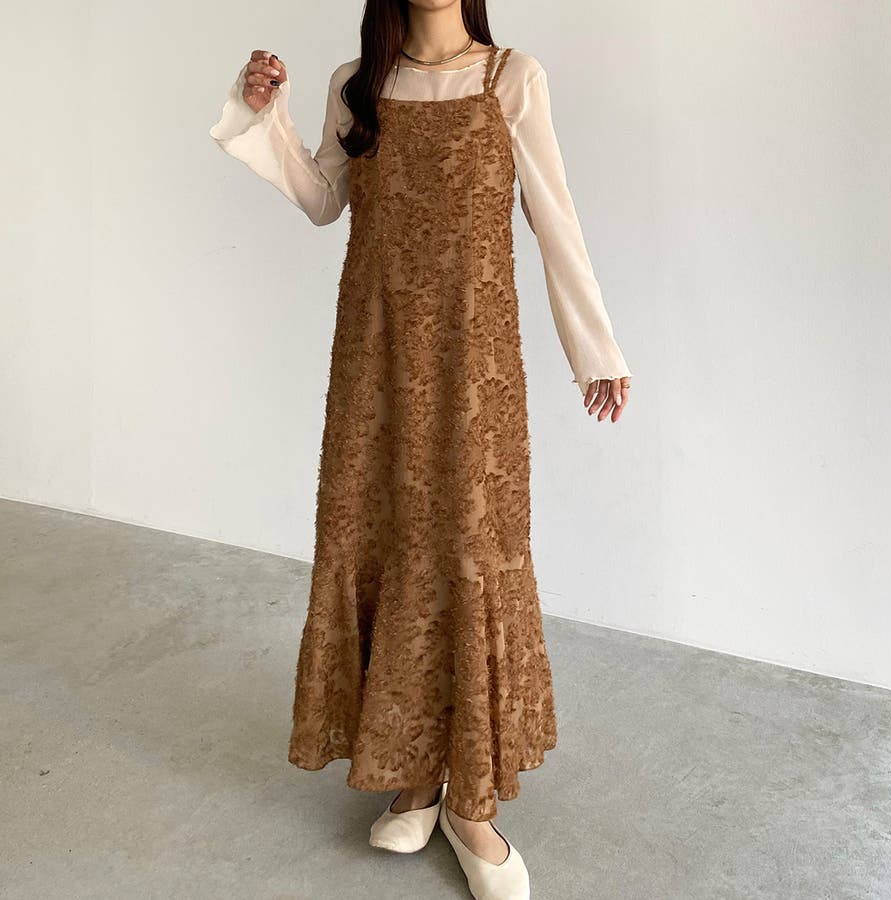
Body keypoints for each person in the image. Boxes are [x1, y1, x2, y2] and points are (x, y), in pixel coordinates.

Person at [210, 3, 633, 897]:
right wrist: (263, 118)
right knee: (386, 540)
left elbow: (554, 217)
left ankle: (470, 802)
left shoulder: (511, 79)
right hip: (375, 357)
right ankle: (414, 770)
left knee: (468, 549)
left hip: (473, 365)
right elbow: (324, 200)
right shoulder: (359, 84)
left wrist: (595, 349)